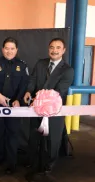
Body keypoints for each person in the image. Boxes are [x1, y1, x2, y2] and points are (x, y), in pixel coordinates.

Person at [23, 38, 74, 173]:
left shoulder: (68, 70)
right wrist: (28, 91)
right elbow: (33, 79)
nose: (54, 50)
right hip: (36, 109)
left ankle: (49, 165)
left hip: (54, 111)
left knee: (53, 140)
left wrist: (39, 98)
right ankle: (33, 162)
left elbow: (58, 92)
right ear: (48, 49)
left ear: (63, 50)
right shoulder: (40, 63)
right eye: (52, 47)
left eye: (58, 47)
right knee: (34, 137)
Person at [0, 37, 29, 174]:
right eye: (7, 48)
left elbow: (24, 85)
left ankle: (12, 164)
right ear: (2, 49)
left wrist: (18, 100)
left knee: (12, 134)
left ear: (16, 50)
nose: (9, 51)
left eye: (12, 48)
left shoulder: (22, 65)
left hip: (14, 107)